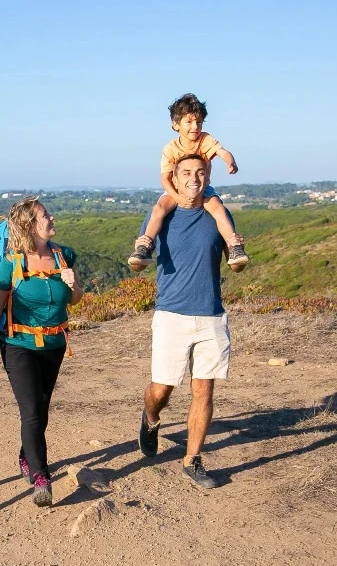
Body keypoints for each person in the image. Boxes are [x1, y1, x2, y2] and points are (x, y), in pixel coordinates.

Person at [136, 153, 245, 489]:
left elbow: (235, 256)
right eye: (186, 172)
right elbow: (141, 255)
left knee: (203, 389)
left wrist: (237, 254)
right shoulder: (163, 214)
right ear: (175, 176)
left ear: (208, 174)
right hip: (171, 315)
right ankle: (151, 418)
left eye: (200, 172)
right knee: (162, 389)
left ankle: (192, 460)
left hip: (211, 314)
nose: (193, 178)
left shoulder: (218, 212)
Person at [0, 196, 83, 507]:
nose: (52, 217)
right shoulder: (11, 264)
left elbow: (73, 300)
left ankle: (26, 453)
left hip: (54, 345)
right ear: (30, 226)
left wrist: (73, 285)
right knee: (32, 411)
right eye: (45, 215)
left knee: (41, 411)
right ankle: (41, 478)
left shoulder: (65, 256)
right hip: (18, 344)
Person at [128, 93, 250, 271]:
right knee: (159, 209)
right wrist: (177, 197)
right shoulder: (171, 148)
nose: (195, 127)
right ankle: (144, 246)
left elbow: (223, 151)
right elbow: (165, 179)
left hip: (204, 189)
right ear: (175, 124)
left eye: (199, 122)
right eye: (189, 122)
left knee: (218, 209)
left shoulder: (205, 140)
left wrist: (230, 161)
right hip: (175, 189)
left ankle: (234, 247)